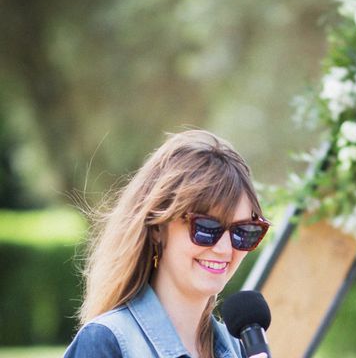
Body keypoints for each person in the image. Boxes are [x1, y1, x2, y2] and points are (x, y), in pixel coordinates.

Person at [64, 129, 271, 358]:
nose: (224, 249)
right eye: (206, 228)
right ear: (157, 230)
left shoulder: (239, 350)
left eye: (242, 232)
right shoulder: (106, 343)